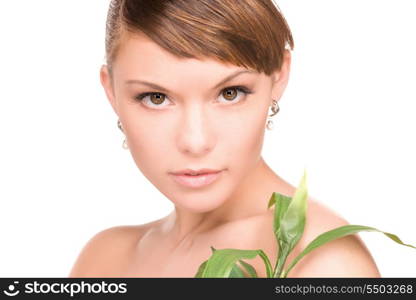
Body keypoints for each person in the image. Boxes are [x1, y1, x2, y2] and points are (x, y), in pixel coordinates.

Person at [69, 0, 380, 277]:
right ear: (111, 92)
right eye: (155, 97)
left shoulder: (323, 263)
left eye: (230, 94)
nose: (195, 141)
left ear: (278, 76)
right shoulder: (104, 259)